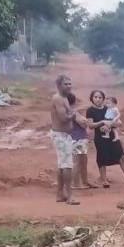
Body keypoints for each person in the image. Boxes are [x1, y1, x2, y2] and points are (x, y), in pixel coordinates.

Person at [86, 89, 124, 188]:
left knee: (121, 156)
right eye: (95, 97)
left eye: (100, 97)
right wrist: (102, 122)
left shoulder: (109, 108)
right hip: (100, 138)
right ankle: (104, 180)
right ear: (92, 98)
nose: (98, 99)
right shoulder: (90, 111)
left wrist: (111, 124)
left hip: (112, 136)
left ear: (103, 99)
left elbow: (119, 122)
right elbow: (90, 125)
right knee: (102, 157)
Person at [49, 74, 80, 205]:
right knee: (67, 165)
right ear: (59, 85)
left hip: (63, 135)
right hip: (60, 135)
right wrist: (73, 115)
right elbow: (63, 118)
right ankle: (70, 196)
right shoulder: (58, 99)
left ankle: (60, 194)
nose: (69, 86)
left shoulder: (64, 98)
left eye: (69, 84)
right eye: (66, 84)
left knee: (62, 165)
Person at [66, 92, 96, 189]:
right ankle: (76, 184)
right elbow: (83, 124)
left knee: (82, 161)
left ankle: (84, 181)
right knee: (78, 162)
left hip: (76, 138)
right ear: (74, 101)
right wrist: (85, 121)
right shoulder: (72, 112)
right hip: (77, 138)